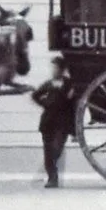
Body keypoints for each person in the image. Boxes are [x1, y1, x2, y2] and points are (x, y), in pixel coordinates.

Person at [30, 53, 77, 187]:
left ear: (62, 69)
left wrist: (74, 131)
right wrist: (45, 103)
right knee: (47, 151)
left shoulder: (69, 84)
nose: (54, 70)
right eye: (53, 68)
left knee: (56, 149)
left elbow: (74, 106)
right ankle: (52, 179)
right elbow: (35, 95)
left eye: (56, 68)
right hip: (48, 121)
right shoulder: (48, 84)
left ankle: (53, 176)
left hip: (62, 123)